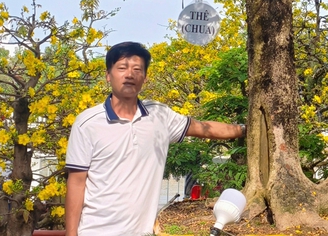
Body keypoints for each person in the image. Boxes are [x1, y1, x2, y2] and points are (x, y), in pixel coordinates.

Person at [65, 42, 245, 236]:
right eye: (122, 68)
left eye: (137, 69)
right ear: (108, 76)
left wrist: (246, 130)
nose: (129, 75)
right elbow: (76, 183)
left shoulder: (159, 116)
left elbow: (204, 129)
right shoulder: (87, 123)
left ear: (145, 78)